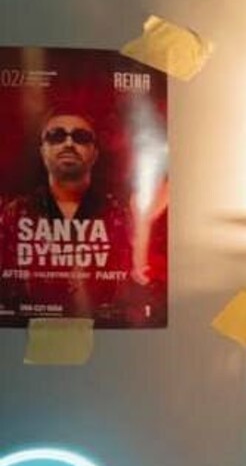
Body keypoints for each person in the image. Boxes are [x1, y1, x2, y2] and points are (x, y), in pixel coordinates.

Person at [0, 108, 156, 325]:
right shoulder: (13, 214)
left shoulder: (122, 214)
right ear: (43, 150)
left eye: (80, 137)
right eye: (56, 136)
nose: (68, 143)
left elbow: (137, 288)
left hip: (109, 333)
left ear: (94, 153)